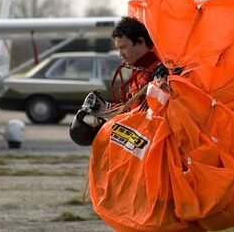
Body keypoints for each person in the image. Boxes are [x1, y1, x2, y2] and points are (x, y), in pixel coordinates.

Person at [69, 16, 165, 146]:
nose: (120, 54)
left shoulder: (163, 72)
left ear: (140, 42)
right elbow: (131, 107)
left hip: (153, 145)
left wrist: (168, 79)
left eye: (123, 47)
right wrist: (105, 108)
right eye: (118, 48)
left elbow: (152, 117)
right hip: (138, 143)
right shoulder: (140, 70)